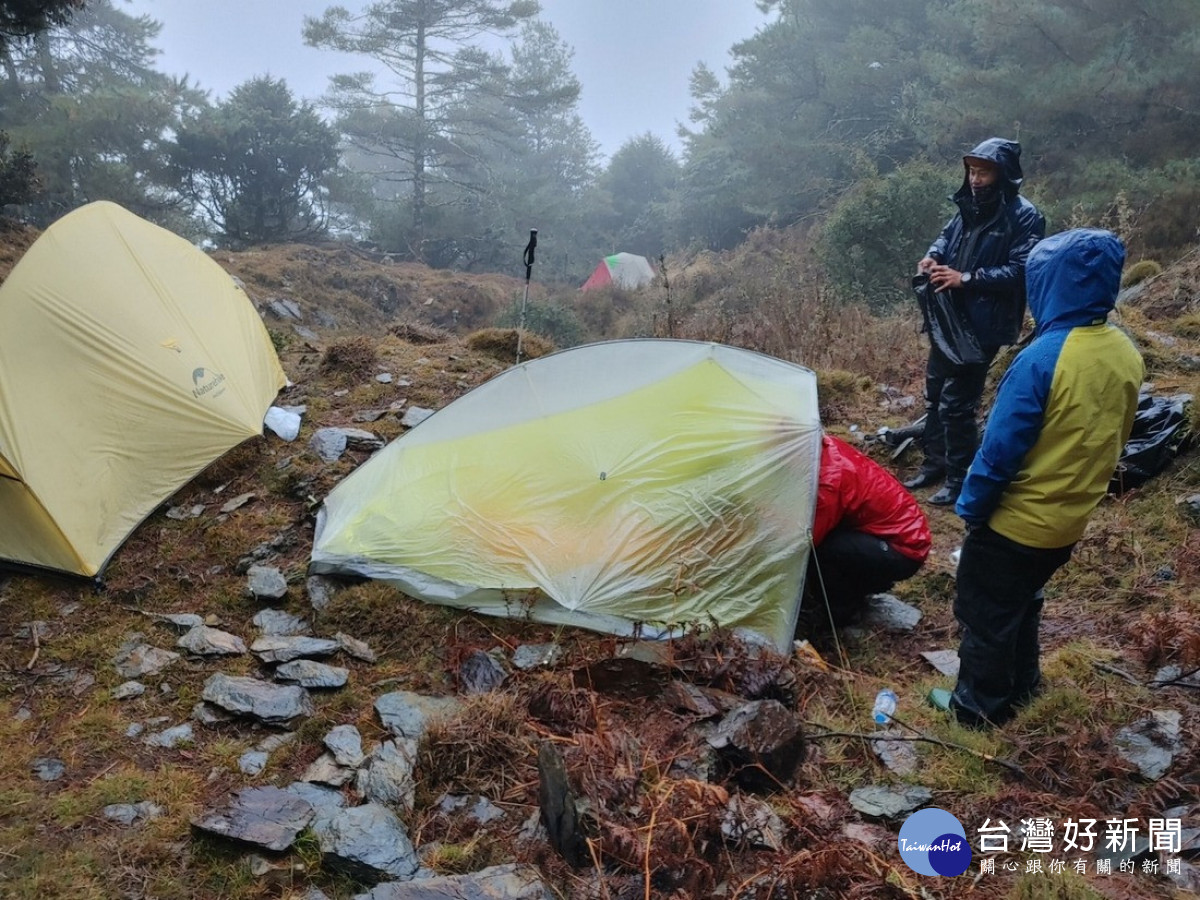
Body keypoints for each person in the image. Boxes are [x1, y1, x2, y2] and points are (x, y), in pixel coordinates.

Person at [949, 228, 1144, 729]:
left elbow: (998, 453)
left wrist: (971, 507)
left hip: (1014, 524)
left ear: (1047, 284)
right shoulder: (1125, 351)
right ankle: (1024, 688)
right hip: (1067, 523)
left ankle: (978, 716)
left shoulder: (1041, 359)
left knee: (985, 615)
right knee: (1024, 601)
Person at [905, 138, 1046, 506]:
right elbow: (945, 237)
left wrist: (965, 278)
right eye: (972, 171)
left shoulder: (1024, 215)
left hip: (985, 323)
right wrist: (931, 257)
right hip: (949, 317)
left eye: (983, 172)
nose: (975, 179)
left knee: (957, 403)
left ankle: (959, 477)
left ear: (1004, 174)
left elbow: (1021, 270)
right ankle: (934, 464)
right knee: (935, 393)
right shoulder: (968, 206)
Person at [808, 434, 932, 624]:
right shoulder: (824, 445)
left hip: (904, 547)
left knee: (820, 553)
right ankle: (863, 585)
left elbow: (808, 540)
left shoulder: (828, 480)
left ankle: (840, 614)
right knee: (830, 544)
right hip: (887, 532)